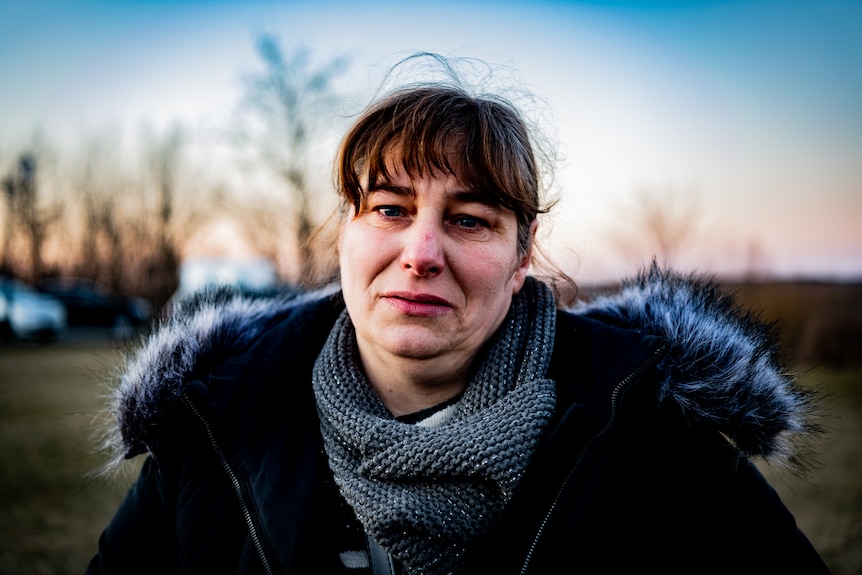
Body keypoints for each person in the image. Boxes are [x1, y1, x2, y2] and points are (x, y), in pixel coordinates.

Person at [85, 55, 830, 575]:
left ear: (522, 255)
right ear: (345, 229)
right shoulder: (216, 422)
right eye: (390, 209)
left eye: (470, 219)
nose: (422, 251)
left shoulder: (654, 426)